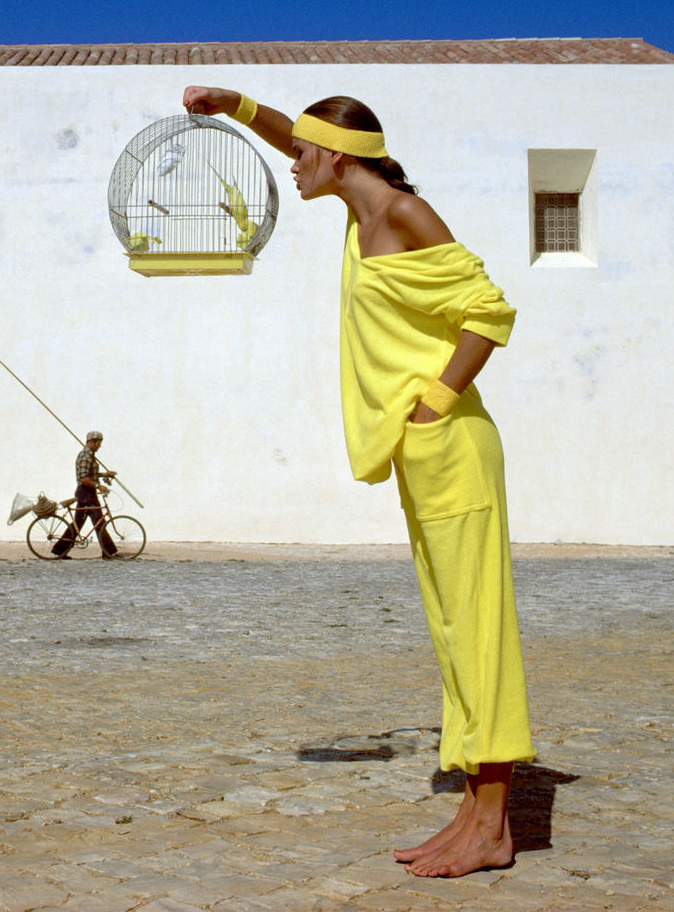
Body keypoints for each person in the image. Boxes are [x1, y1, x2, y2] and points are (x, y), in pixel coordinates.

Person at [182, 87, 534, 878]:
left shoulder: (405, 217)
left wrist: (434, 407)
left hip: (451, 446)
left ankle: (495, 828)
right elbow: (293, 137)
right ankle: (476, 814)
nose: (292, 166)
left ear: (338, 159)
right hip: (425, 455)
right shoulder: (358, 214)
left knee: (478, 630)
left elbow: (488, 312)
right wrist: (232, 105)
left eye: (305, 156)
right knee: (452, 633)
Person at [51, 430, 119, 559]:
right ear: (92, 442)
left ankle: (59, 550)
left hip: (88, 494)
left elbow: (90, 474)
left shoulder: (90, 456)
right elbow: (83, 478)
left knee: (80, 523)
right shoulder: (85, 456)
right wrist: (99, 486)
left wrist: (105, 474)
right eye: (99, 443)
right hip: (86, 495)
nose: (100, 446)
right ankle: (109, 552)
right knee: (99, 522)